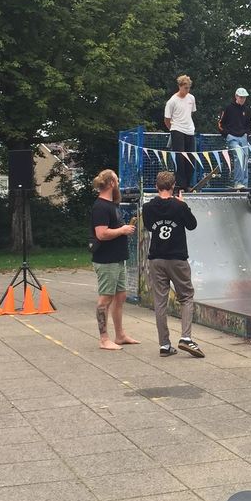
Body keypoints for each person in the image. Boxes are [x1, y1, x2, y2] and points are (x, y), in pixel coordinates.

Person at [142, 171, 204, 358]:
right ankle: (186, 337)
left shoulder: (147, 207)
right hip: (177, 258)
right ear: (173, 186)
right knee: (186, 297)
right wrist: (183, 204)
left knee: (160, 301)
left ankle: (164, 344)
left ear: (156, 186)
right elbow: (192, 225)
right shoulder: (179, 206)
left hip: (156, 259)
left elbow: (148, 226)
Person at [90, 170, 139, 351]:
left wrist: (122, 229)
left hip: (117, 259)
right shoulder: (101, 207)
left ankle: (120, 335)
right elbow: (101, 234)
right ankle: (104, 339)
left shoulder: (112, 205)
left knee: (120, 296)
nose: (119, 183)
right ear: (111, 183)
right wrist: (122, 230)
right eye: (117, 180)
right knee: (105, 299)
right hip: (106, 260)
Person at [164, 75, 197, 191]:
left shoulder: (191, 98)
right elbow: (167, 119)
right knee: (180, 157)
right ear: (179, 86)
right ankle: (180, 184)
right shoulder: (172, 101)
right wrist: (173, 128)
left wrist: (188, 124)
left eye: (188, 88)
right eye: (185, 88)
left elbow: (191, 113)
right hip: (177, 129)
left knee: (191, 157)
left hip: (189, 130)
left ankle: (188, 183)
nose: (187, 90)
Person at [219, 88, 251, 190]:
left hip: (243, 137)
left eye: (244, 98)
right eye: (241, 97)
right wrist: (227, 134)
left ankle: (244, 184)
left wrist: (247, 133)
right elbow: (221, 123)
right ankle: (237, 182)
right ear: (236, 96)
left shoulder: (247, 110)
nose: (242, 99)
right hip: (232, 137)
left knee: (245, 158)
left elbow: (249, 124)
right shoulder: (228, 108)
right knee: (239, 156)